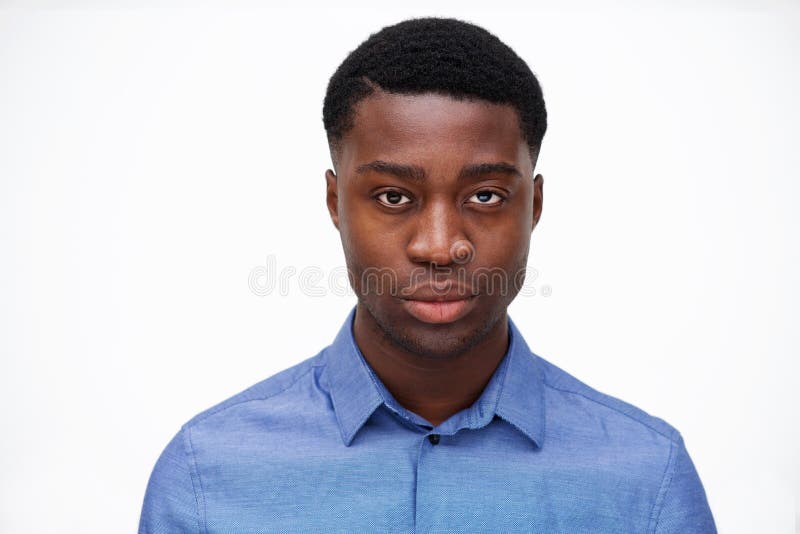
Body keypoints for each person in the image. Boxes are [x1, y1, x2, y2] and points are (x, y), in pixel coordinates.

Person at [139, 17, 715, 533]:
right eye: (393, 196)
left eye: (486, 195)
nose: (440, 247)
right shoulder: (205, 477)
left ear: (533, 206)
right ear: (335, 203)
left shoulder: (647, 481)